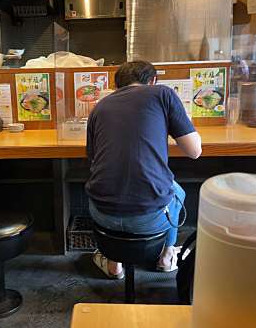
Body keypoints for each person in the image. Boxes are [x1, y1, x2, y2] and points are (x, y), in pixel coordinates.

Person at [86, 61, 202, 278]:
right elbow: (194, 151)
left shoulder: (99, 107)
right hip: (149, 218)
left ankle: (114, 263)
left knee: (113, 185)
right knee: (176, 191)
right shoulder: (162, 94)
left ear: (117, 85)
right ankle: (167, 257)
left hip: (101, 215)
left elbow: (93, 161)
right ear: (152, 81)